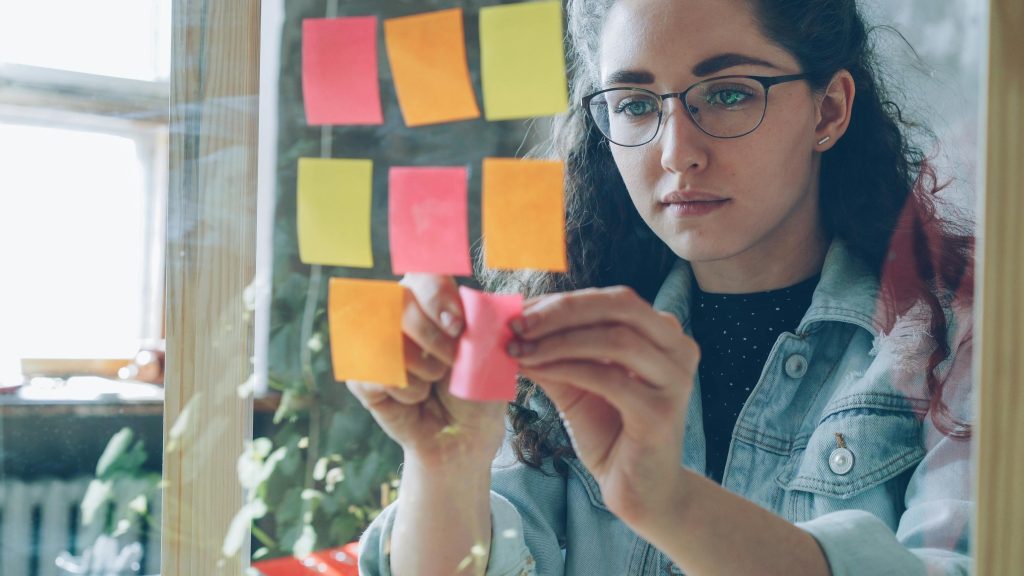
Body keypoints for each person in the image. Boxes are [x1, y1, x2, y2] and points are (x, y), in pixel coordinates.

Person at [351, 0, 975, 574]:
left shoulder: (960, 338)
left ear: (830, 109)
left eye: (728, 94)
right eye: (634, 103)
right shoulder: (567, 332)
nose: (677, 152)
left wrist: (671, 503)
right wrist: (445, 464)